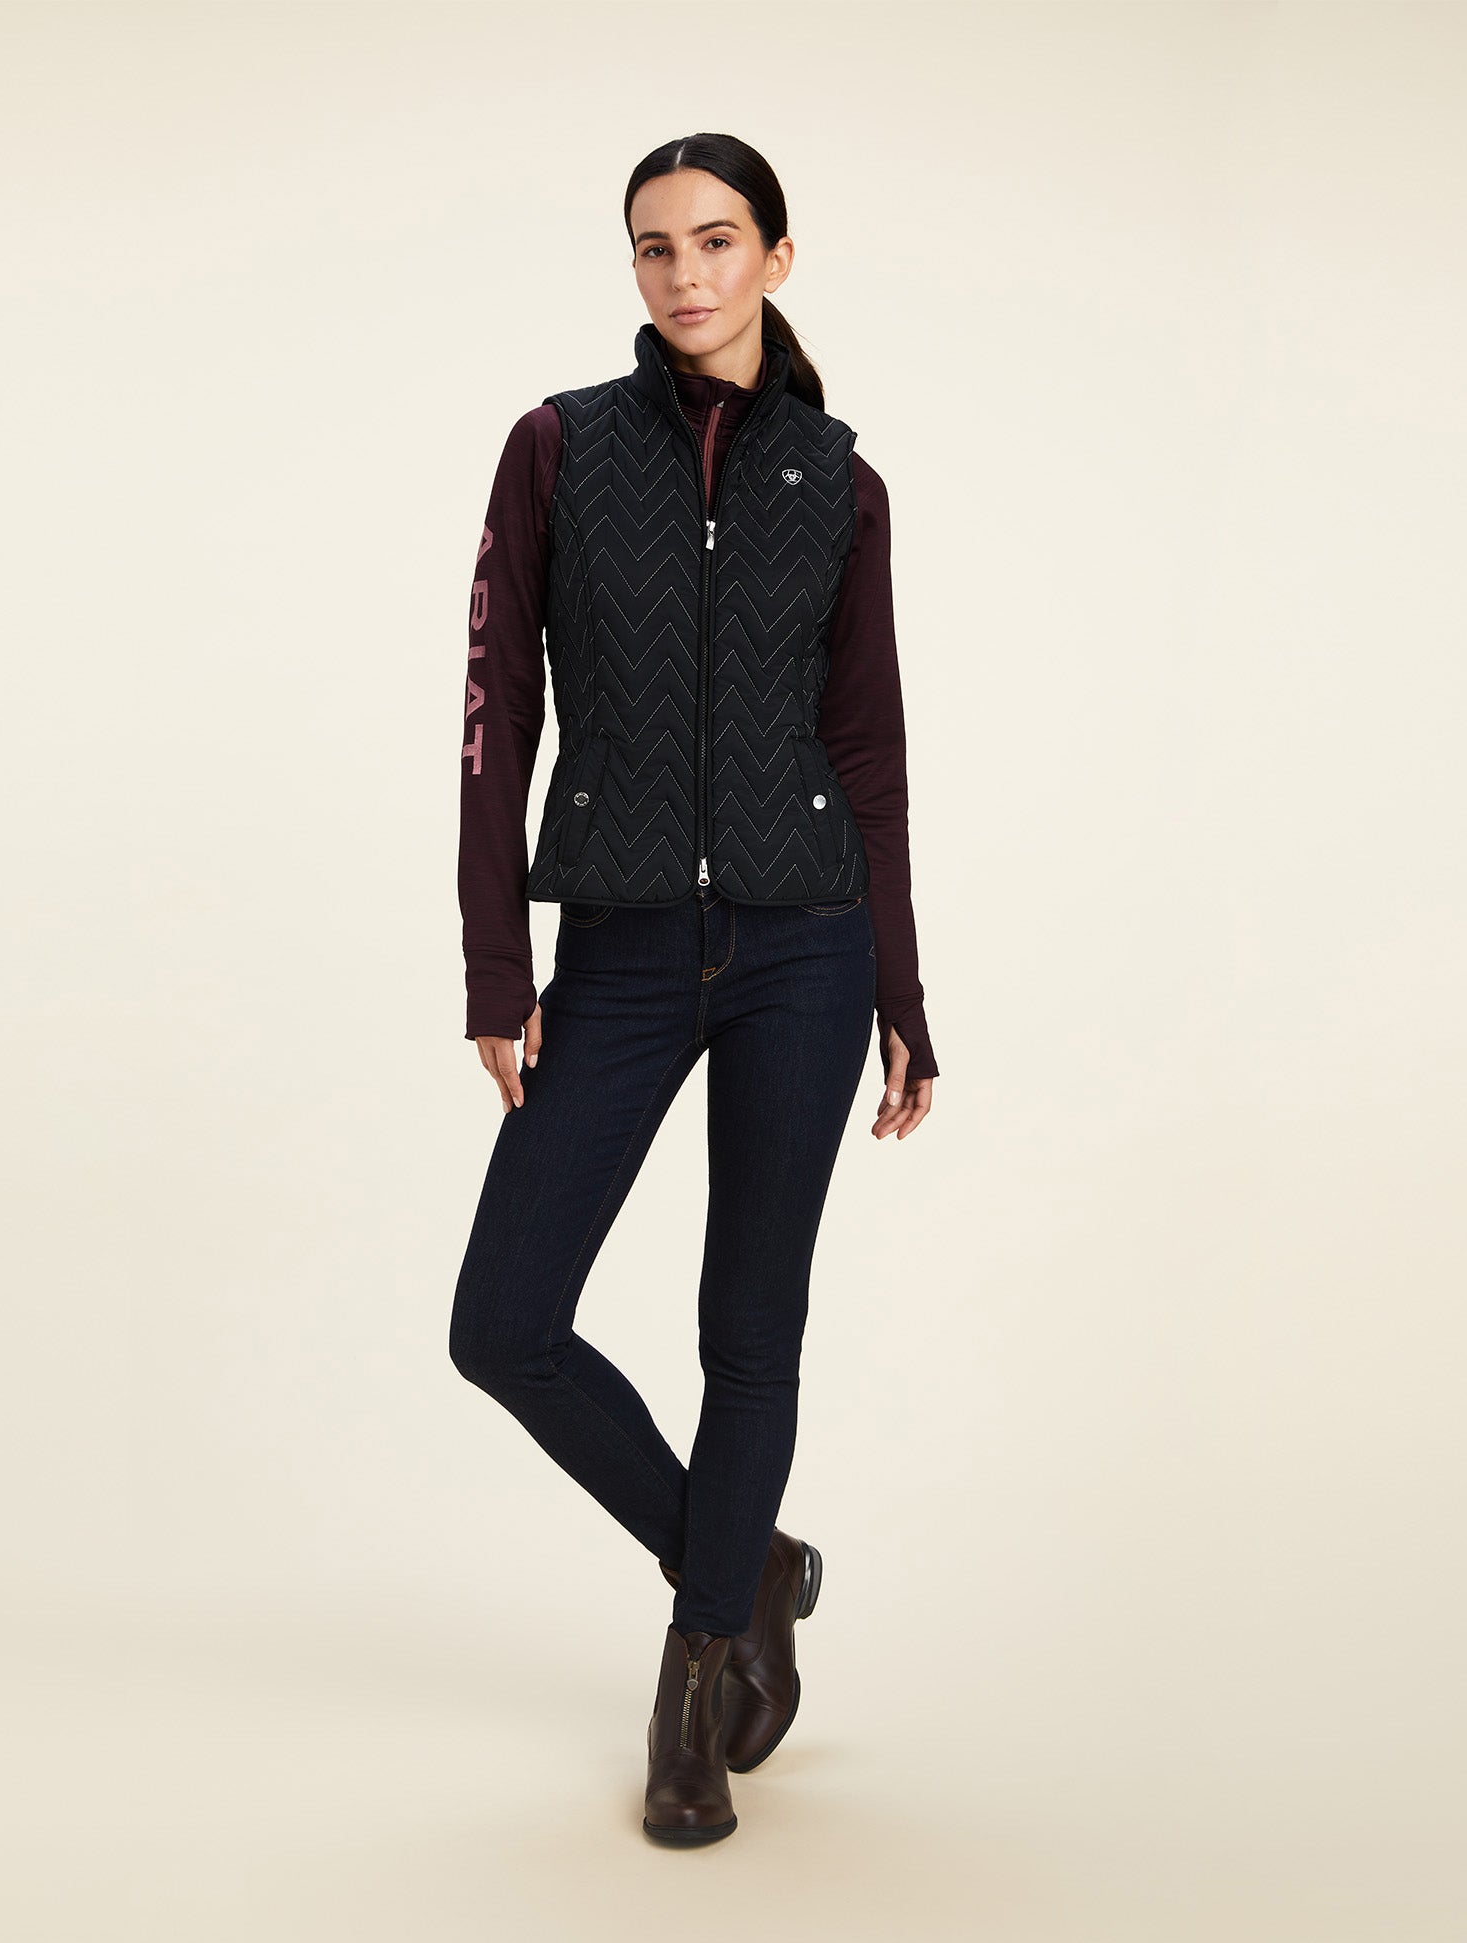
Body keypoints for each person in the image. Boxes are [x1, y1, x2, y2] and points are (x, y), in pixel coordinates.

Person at [450, 131, 940, 1846]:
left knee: (751, 1328)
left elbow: (869, 752)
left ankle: (693, 1679)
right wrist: (497, 963)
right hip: (624, 947)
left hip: (806, 946)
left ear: (776, 259)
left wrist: (902, 987)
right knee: (503, 1323)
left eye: (718, 242)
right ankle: (746, 1567)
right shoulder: (561, 447)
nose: (685, 275)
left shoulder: (839, 482)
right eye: (655, 247)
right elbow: (496, 710)